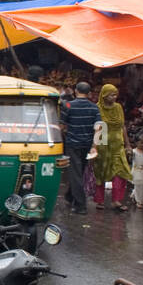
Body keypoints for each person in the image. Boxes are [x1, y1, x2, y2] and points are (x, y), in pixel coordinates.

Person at [60, 81, 98, 215]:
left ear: (76, 91)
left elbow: (62, 126)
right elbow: (100, 129)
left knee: (75, 173)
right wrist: (95, 147)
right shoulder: (94, 107)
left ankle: (81, 205)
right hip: (87, 145)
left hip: (73, 143)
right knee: (79, 172)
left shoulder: (68, 105)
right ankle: (70, 196)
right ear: (89, 93)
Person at [93, 84, 132, 211]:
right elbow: (98, 129)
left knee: (120, 170)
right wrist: (94, 147)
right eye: (111, 95)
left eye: (115, 94)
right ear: (104, 95)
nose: (114, 97)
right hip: (103, 143)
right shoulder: (98, 108)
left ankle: (116, 200)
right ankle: (100, 201)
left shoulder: (118, 107)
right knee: (101, 171)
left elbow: (122, 126)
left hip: (117, 144)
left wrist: (127, 144)